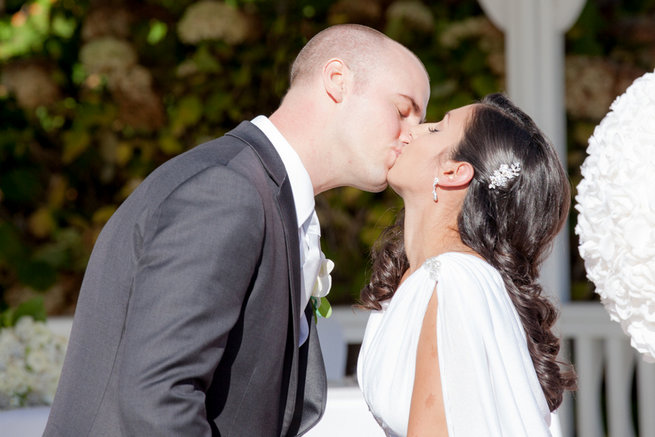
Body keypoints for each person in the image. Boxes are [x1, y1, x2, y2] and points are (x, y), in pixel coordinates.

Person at [44, 24, 430, 437]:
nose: (413, 135)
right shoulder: (227, 192)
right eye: (402, 110)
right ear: (337, 81)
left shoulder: (260, 191)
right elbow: (158, 398)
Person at [357, 93, 577, 436]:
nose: (413, 129)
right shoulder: (421, 278)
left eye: (436, 129)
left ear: (453, 172)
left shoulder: (455, 282)